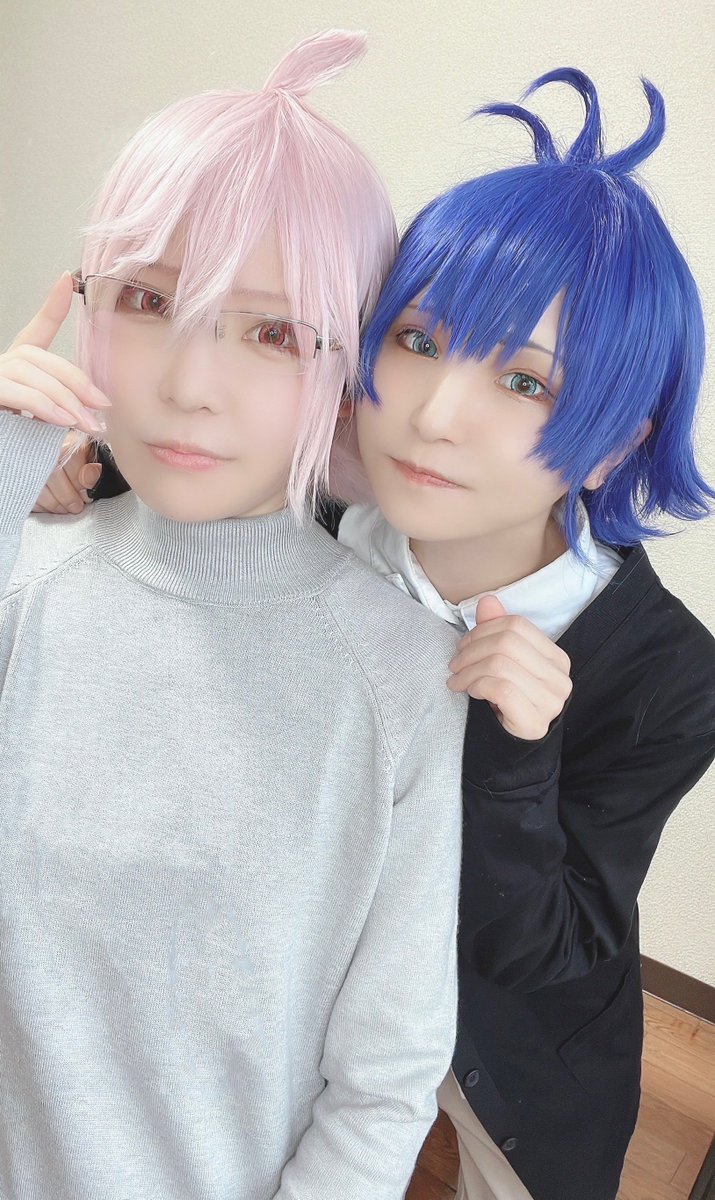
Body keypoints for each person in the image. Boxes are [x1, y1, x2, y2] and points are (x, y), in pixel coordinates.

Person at [35, 66, 715, 1200]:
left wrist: (516, 756)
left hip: (502, 1055)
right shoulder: (318, 517)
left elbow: (551, 945)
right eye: (416, 339)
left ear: (613, 444)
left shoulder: (668, 675)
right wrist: (84, 468)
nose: (436, 415)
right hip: (296, 1015)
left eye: (525, 383)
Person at [0, 30, 468, 1200]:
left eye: (272, 332)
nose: (189, 383)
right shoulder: (25, 589)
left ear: (349, 365)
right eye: (147, 300)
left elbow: (385, 1082)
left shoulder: (404, 675)